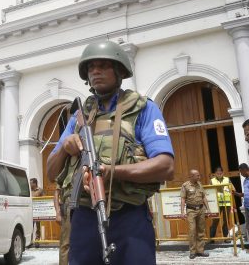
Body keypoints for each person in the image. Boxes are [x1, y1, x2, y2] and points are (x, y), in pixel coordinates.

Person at [47, 40, 175, 265]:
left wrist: (111, 172)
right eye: (90, 67)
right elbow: (50, 171)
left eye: (103, 65)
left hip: (129, 216)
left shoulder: (143, 108)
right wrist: (66, 147)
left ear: (119, 71)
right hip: (84, 218)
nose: (95, 71)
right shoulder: (79, 116)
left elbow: (166, 166)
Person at [180, 169, 210, 259]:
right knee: (192, 231)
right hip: (191, 210)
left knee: (201, 230)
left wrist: (208, 209)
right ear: (191, 176)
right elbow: (183, 199)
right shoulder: (185, 185)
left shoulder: (199, 184)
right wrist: (182, 212)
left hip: (201, 210)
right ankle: (192, 251)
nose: (199, 177)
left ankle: (200, 250)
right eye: (197, 175)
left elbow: (204, 197)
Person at [209, 167, 235, 243]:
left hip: (227, 203)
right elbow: (209, 191)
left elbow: (233, 189)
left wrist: (229, 190)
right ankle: (212, 239)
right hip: (216, 204)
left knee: (226, 220)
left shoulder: (227, 179)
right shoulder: (212, 181)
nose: (219, 174)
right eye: (217, 173)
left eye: (221, 173)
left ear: (223, 173)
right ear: (215, 173)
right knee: (215, 220)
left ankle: (226, 238)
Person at [53, 181, 71, 265]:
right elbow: (56, 193)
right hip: (68, 207)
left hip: (86, 206)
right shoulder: (66, 169)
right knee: (65, 244)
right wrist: (57, 212)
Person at [233, 163, 249, 241]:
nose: (241, 174)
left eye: (241, 172)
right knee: (248, 225)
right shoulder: (245, 181)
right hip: (247, 206)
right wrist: (235, 193)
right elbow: (245, 194)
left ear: (245, 170)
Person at [30, 178, 44, 242]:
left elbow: (44, 199)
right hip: (30, 211)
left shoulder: (40, 190)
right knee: (30, 226)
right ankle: (30, 240)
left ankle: (37, 240)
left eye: (31, 183)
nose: (30, 184)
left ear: (35, 183)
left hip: (38, 211)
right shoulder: (29, 190)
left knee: (38, 226)